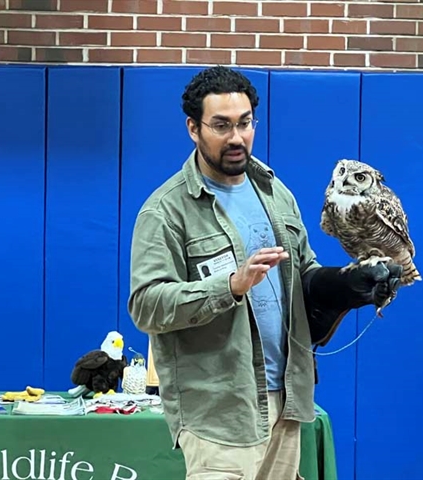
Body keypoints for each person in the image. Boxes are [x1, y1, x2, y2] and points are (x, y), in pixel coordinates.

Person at [128, 66, 402, 480]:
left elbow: (304, 274)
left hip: (287, 397)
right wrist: (230, 286)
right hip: (221, 413)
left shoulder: (275, 192)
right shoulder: (166, 211)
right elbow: (147, 306)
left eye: (245, 123)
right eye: (221, 125)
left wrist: (347, 286)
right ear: (193, 128)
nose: (236, 137)